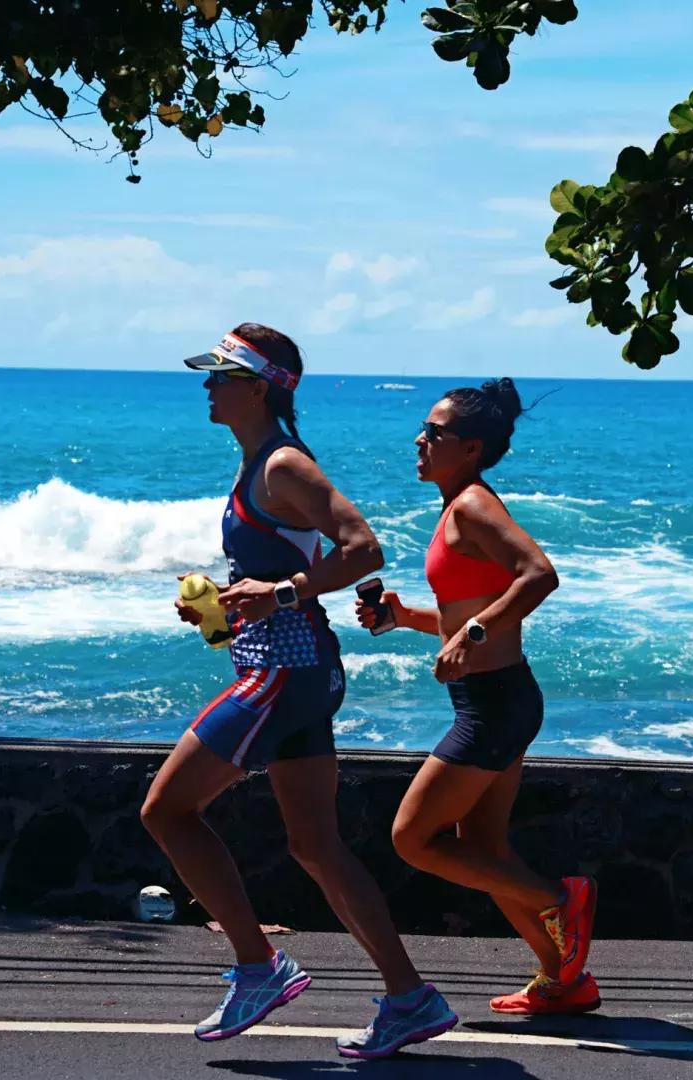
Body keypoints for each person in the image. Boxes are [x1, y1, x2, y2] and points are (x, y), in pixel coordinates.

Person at [140, 324, 456, 1057]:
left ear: (258, 389)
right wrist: (228, 606)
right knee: (316, 845)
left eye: (220, 376)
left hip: (283, 672)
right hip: (296, 669)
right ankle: (410, 998)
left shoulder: (282, 464)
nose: (207, 386)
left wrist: (277, 594)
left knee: (167, 811)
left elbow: (364, 548)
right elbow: (286, 571)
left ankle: (259, 966)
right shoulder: (261, 462)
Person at [356, 377, 600, 1017]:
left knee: (413, 838)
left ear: (469, 448)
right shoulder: (455, 508)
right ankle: (564, 980)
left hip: (494, 706)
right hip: (496, 700)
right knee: (486, 852)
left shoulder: (471, 505)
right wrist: (404, 617)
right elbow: (468, 611)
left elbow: (539, 574)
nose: (420, 440)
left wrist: (473, 632)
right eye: (423, 429)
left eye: (433, 433)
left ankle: (561, 900)